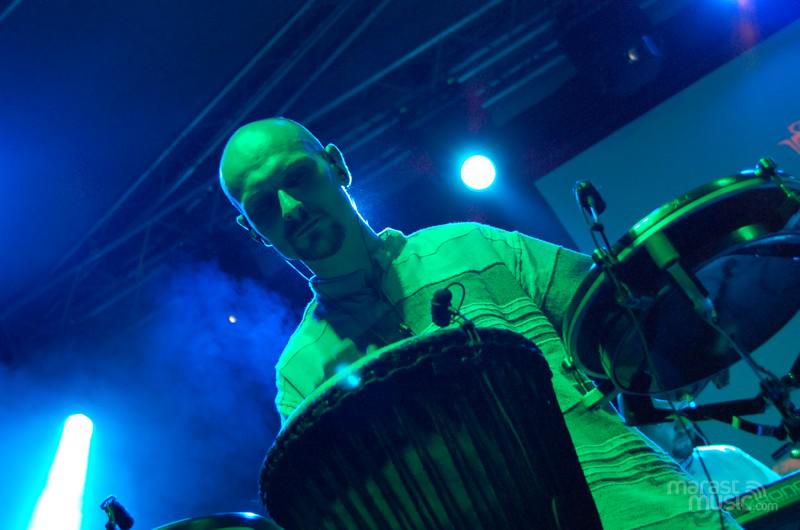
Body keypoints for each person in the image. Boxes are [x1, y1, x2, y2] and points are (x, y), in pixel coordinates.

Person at [219, 117, 741, 529]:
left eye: (297, 177)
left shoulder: (473, 244)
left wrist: (689, 333)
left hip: (649, 510)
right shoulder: (299, 376)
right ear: (253, 231)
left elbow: (626, 326)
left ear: (336, 165)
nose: (289, 208)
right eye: (264, 205)